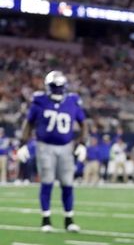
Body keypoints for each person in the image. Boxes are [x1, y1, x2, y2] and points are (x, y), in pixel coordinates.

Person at [17, 71, 88, 232]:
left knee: (67, 184)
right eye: (54, 87)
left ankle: (69, 219)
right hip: (45, 146)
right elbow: (28, 123)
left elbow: (84, 123)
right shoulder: (39, 101)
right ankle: (46, 219)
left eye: (59, 87)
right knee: (47, 182)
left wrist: (82, 143)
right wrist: (22, 143)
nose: (57, 90)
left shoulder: (72, 101)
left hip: (66, 147)